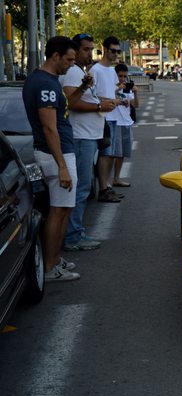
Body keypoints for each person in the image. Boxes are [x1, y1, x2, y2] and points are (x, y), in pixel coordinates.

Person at [22, 36, 80, 282]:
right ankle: (49, 267)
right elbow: (49, 129)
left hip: (58, 153)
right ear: (55, 56)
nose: (70, 65)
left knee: (64, 209)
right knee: (59, 211)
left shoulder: (44, 80)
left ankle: (54, 260)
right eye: (68, 59)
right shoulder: (45, 85)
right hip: (56, 155)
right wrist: (62, 166)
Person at [58, 34, 109, 252]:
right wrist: (99, 108)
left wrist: (103, 103)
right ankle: (72, 236)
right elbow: (72, 102)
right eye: (86, 49)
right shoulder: (72, 72)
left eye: (91, 49)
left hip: (87, 135)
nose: (90, 53)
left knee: (84, 187)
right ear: (75, 51)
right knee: (80, 188)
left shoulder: (80, 71)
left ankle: (75, 232)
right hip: (80, 136)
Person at [91, 36, 125, 202]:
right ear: (104, 49)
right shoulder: (95, 70)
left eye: (118, 51)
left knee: (110, 154)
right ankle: (103, 188)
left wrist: (120, 95)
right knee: (104, 154)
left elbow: (111, 91)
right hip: (102, 117)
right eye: (113, 51)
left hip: (113, 116)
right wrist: (111, 100)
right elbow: (92, 95)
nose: (115, 54)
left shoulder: (112, 71)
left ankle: (108, 186)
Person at [110, 63, 139, 188]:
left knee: (122, 154)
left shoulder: (127, 88)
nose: (122, 79)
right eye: (120, 76)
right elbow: (104, 98)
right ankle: (106, 181)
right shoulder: (110, 87)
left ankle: (116, 178)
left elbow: (136, 105)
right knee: (112, 154)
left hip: (126, 122)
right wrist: (116, 88)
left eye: (124, 76)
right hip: (114, 122)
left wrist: (136, 93)